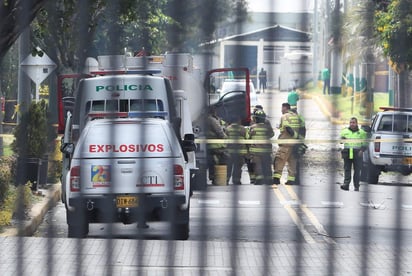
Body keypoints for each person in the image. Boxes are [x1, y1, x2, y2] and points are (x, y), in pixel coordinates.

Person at [273, 103, 305, 185]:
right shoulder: (298, 117)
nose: (281, 110)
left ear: (285, 108)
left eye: (282, 108)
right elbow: (302, 130)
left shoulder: (284, 117)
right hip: (295, 144)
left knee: (279, 161)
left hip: (285, 143)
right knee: (292, 163)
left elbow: (285, 128)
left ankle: (276, 179)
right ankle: (291, 180)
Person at [340, 117, 368, 191]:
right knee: (347, 169)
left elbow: (365, 144)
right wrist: (342, 139)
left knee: (357, 170)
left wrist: (362, 151)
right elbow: (340, 141)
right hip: (347, 152)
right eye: (351, 122)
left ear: (356, 123)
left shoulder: (362, 133)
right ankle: (346, 185)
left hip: (357, 153)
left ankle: (356, 186)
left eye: (353, 122)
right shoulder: (344, 131)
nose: (352, 124)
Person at [248, 109, 274, 185]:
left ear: (255, 118)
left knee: (257, 165)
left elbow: (248, 136)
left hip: (256, 151)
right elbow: (271, 134)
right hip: (266, 150)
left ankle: (259, 179)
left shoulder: (252, 127)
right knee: (267, 164)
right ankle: (269, 179)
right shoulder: (267, 127)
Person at [206, 106, 227, 185]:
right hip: (216, 146)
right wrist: (226, 138)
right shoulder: (212, 120)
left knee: (212, 162)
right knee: (219, 161)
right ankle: (217, 178)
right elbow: (219, 131)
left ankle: (213, 177)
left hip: (210, 146)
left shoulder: (206, 119)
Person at [225, 116, 248, 185]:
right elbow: (247, 138)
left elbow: (225, 138)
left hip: (230, 151)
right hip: (240, 151)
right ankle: (236, 180)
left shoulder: (228, 129)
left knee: (229, 166)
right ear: (238, 121)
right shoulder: (243, 129)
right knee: (238, 167)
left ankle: (226, 180)